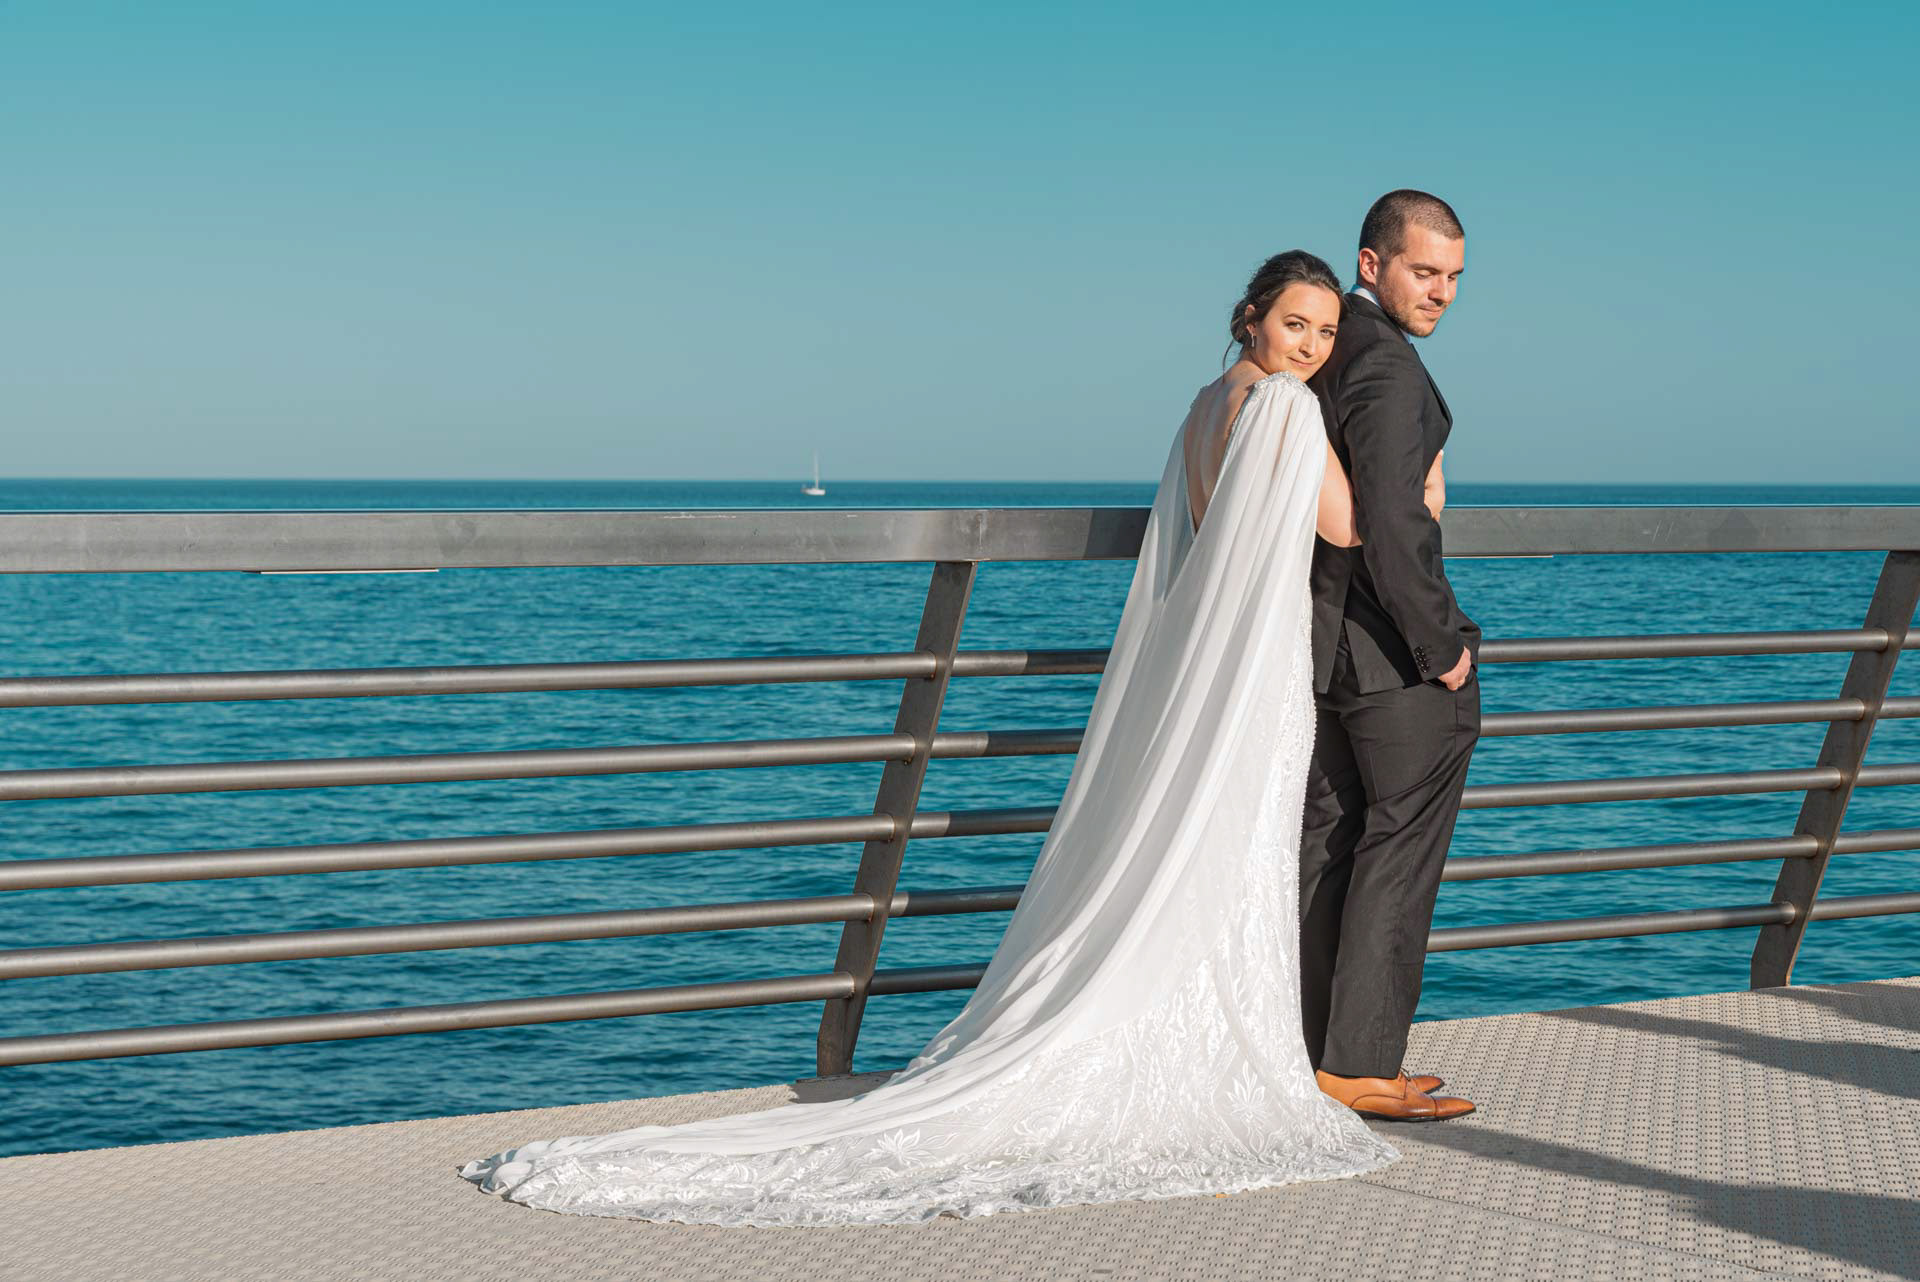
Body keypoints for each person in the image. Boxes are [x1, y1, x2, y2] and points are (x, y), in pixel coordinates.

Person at [458, 250, 1425, 1226]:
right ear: (1252, 316)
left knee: (1184, 844)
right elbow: (1346, 527)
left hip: (1194, 661)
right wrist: (1417, 479)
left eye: (1325, 331)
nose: (1312, 346)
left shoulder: (1204, 405)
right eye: (1296, 324)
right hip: (1251, 663)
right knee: (1232, 843)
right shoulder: (1287, 407)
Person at [1300, 190, 1480, 1122]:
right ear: (1371, 264)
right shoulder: (1382, 363)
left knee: (1330, 852)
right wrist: (1440, 646)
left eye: (1453, 276)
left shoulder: (1320, 351)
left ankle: (1316, 1056)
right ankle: (1363, 1067)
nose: (1440, 291)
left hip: (1326, 652)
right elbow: (1390, 519)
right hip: (1390, 657)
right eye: (1423, 270)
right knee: (1398, 856)